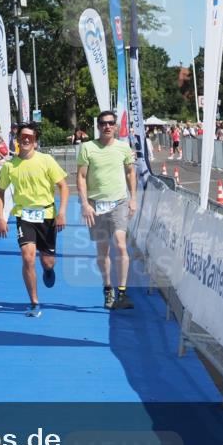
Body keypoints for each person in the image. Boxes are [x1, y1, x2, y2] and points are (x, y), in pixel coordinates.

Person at [0, 122, 68, 319]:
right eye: (23, 137)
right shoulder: (10, 166)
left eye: (30, 137)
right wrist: (0, 217)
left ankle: (48, 270)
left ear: (35, 141)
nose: (26, 139)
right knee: (27, 257)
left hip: (47, 216)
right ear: (17, 140)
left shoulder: (46, 160)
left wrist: (61, 212)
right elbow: (0, 192)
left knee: (48, 262)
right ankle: (34, 301)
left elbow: (63, 186)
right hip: (24, 216)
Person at [77, 110, 137, 310]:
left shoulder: (123, 147)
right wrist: (85, 204)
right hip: (96, 204)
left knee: (121, 245)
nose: (107, 126)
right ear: (98, 126)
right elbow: (82, 177)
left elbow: (130, 172)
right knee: (103, 250)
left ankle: (122, 291)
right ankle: (107, 288)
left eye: (111, 123)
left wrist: (133, 198)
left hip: (119, 202)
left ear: (115, 126)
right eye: (103, 123)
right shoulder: (87, 148)